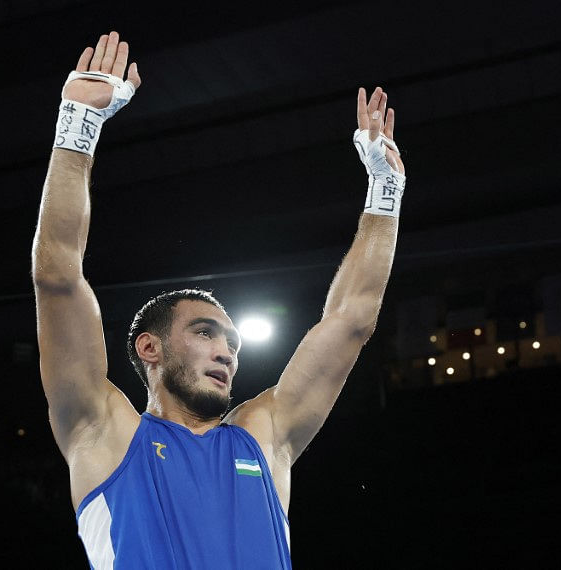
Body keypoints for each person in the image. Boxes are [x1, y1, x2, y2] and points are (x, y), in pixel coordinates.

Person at [32, 30, 406, 569]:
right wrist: (78, 125)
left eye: (231, 341)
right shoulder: (101, 430)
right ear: (149, 348)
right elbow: (58, 276)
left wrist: (385, 191)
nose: (227, 351)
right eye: (205, 333)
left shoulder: (264, 436)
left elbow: (350, 321)